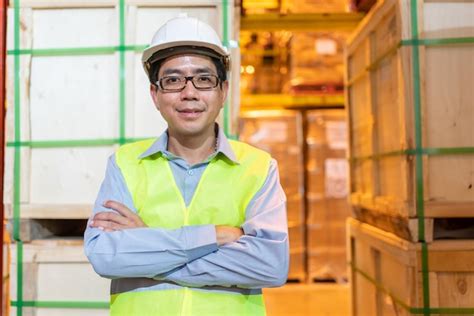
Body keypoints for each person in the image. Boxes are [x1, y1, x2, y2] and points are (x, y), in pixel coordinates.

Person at [84, 15, 289, 316]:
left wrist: (148, 244)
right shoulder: (125, 164)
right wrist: (215, 237)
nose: (189, 92)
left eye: (204, 79)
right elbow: (105, 256)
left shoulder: (258, 167)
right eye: (173, 80)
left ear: (223, 92)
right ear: (155, 94)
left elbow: (271, 265)